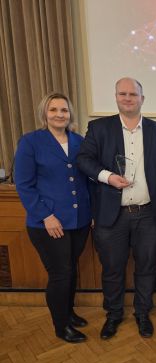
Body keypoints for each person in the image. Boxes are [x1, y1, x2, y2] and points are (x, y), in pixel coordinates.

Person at [77, 77, 156, 339]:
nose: (128, 98)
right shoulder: (99, 128)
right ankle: (113, 314)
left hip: (149, 214)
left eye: (133, 94)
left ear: (142, 98)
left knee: (146, 267)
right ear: (116, 97)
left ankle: (142, 313)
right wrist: (107, 176)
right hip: (111, 215)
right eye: (123, 94)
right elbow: (83, 160)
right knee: (112, 269)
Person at [15, 92, 91, 343]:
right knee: (60, 273)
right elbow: (24, 185)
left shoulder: (80, 141)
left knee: (70, 270)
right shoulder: (31, 142)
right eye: (53, 110)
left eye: (64, 110)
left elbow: (86, 180)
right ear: (44, 114)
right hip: (47, 223)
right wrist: (46, 215)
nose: (59, 114)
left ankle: (68, 313)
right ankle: (61, 326)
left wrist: (91, 213)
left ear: (70, 114)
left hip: (79, 220)